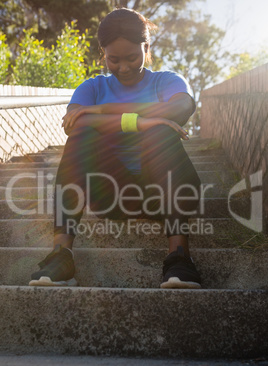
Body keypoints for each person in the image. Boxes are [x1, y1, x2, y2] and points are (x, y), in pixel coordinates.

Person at [29, 7, 201, 289]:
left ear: (146, 47)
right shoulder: (92, 87)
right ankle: (61, 255)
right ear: (103, 54)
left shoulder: (167, 81)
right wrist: (141, 121)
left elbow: (181, 107)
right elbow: (75, 123)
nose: (123, 67)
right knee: (90, 129)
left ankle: (180, 256)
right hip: (113, 195)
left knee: (159, 131)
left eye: (132, 57)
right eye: (114, 59)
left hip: (168, 191)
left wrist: (103, 111)